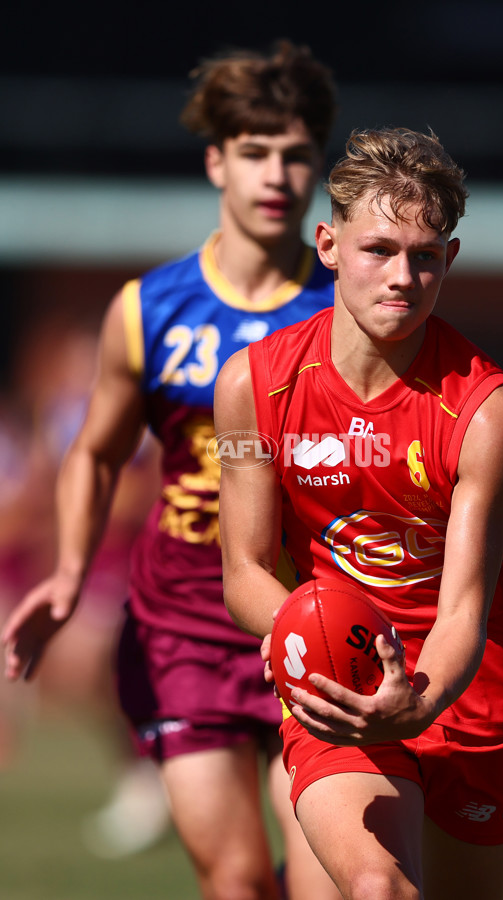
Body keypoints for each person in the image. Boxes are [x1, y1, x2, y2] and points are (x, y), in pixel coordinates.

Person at [2, 40, 342, 900]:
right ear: (215, 163)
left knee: (325, 883)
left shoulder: (351, 311)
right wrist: (71, 572)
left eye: (296, 155)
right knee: (233, 882)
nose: (276, 175)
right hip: (183, 625)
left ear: (318, 169)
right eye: (255, 153)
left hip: (318, 619)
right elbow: (98, 451)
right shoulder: (149, 309)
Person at [214, 127, 503, 900]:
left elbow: (464, 604)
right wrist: (306, 637)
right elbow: (242, 573)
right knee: (380, 889)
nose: (403, 276)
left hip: (468, 690)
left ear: (450, 260)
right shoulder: (252, 386)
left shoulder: (488, 408)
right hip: (336, 677)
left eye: (425, 255)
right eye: (378, 249)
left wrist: (418, 700)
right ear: (328, 244)